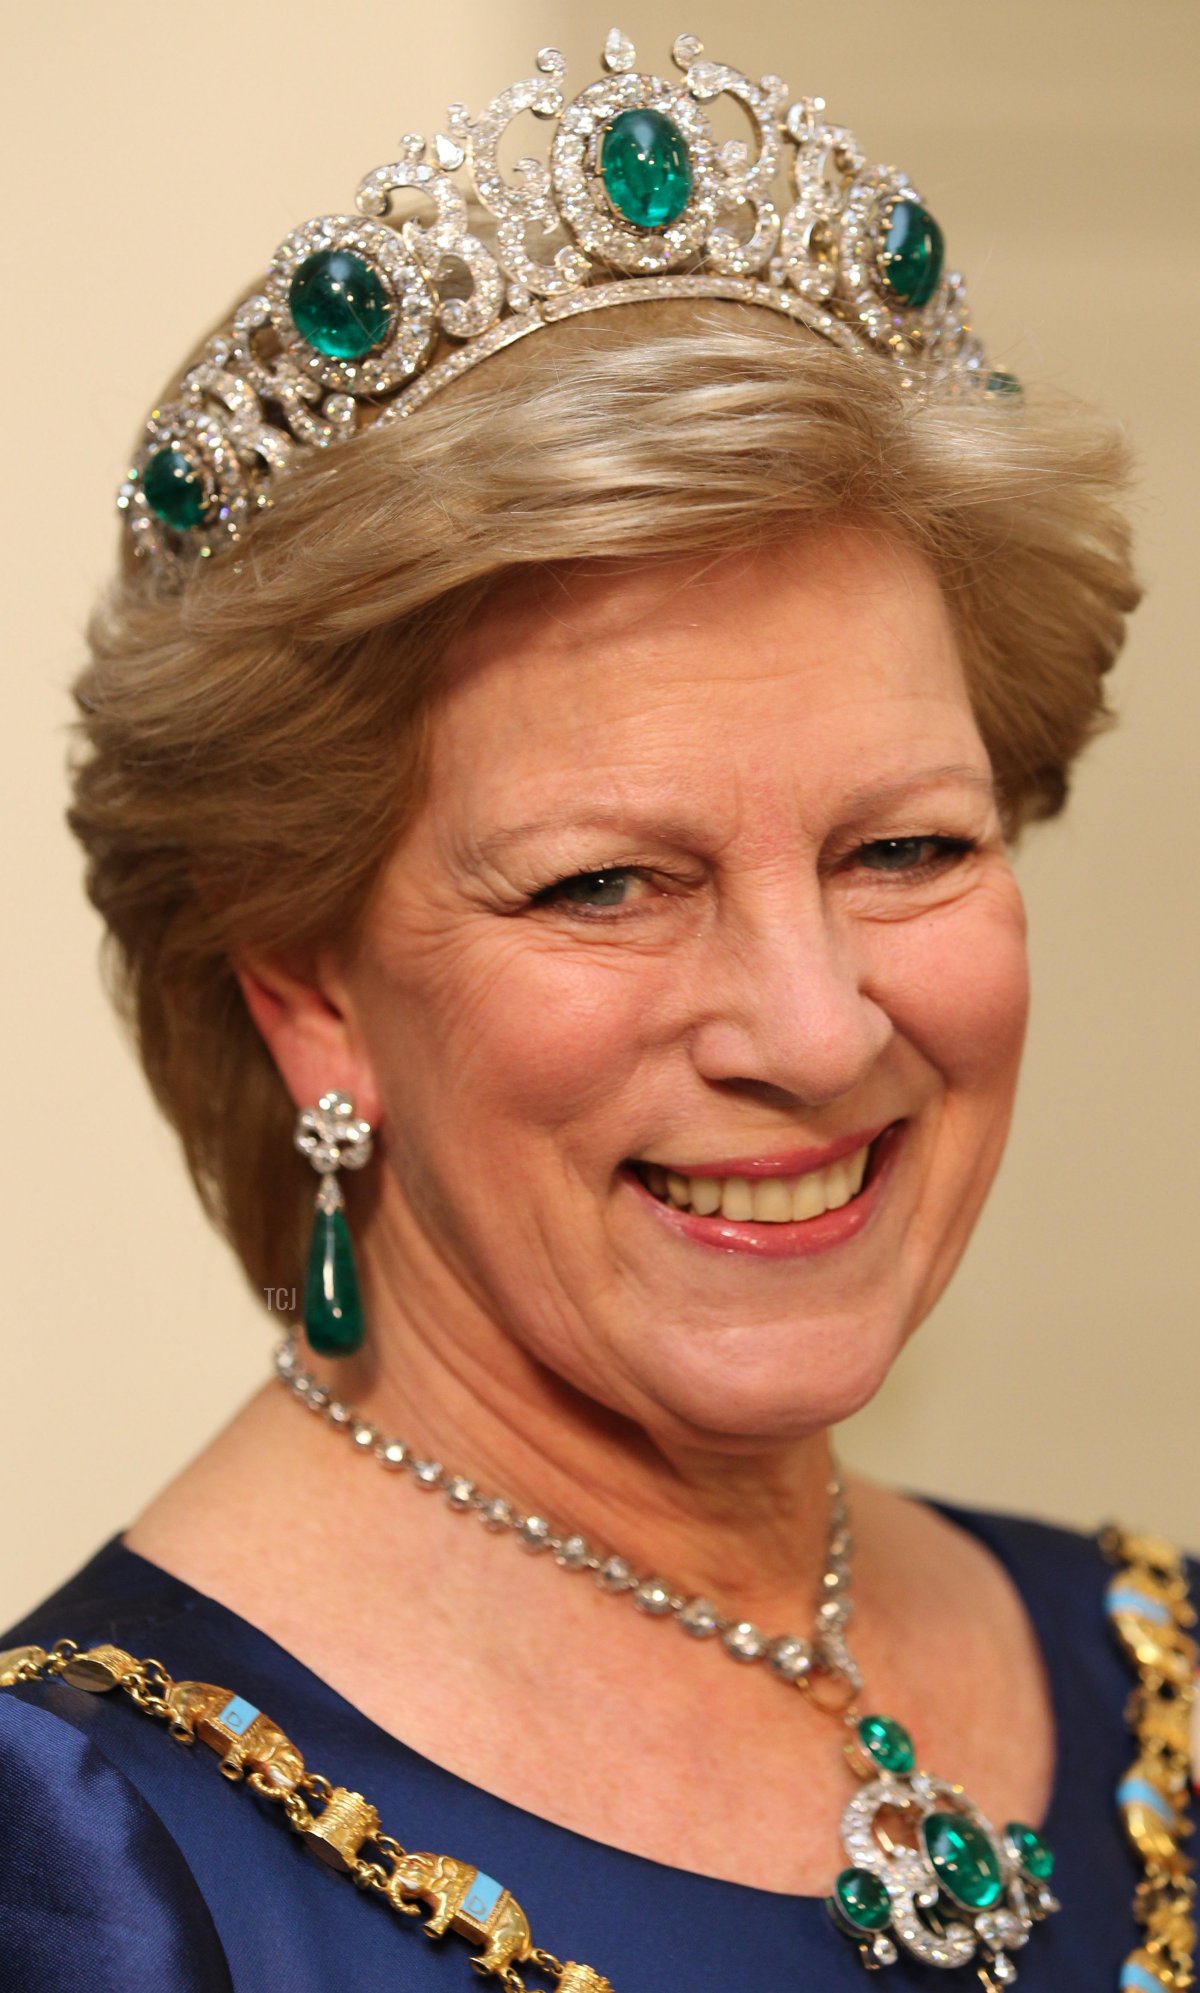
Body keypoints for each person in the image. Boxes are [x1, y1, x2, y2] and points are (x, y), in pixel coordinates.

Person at [1, 27, 1194, 1993]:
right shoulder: (93, 1866)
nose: (813, 1031)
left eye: (903, 848)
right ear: (308, 991)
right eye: (605, 884)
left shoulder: (1162, 1667)